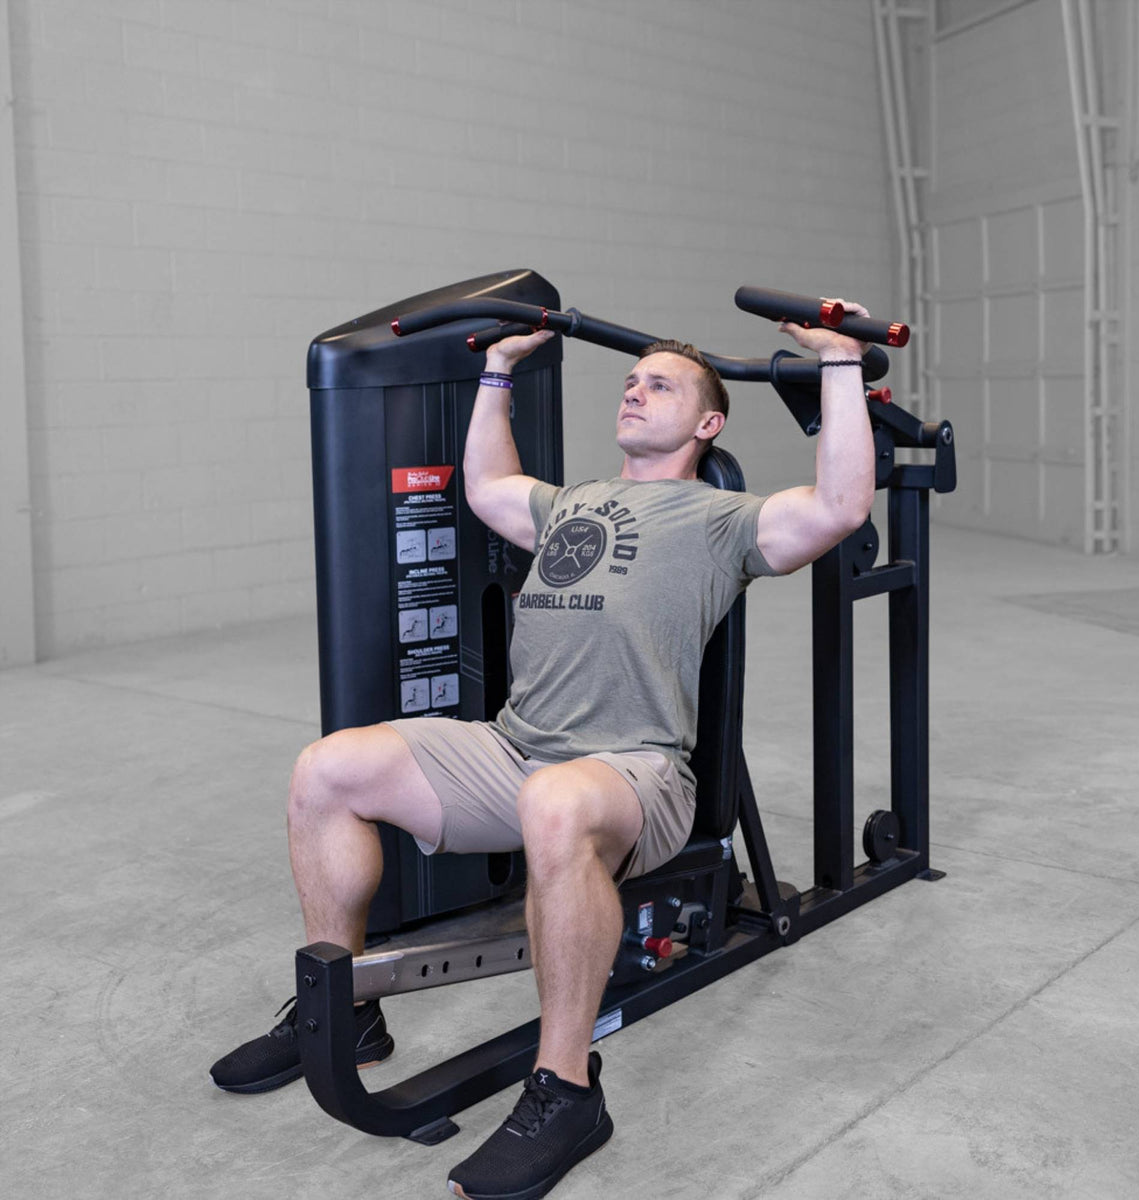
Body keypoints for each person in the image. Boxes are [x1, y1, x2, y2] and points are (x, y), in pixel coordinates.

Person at [210, 302, 876, 1199]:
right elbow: (487, 488)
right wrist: (498, 373)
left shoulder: (724, 520)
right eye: (631, 381)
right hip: (512, 749)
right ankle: (346, 1014)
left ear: (709, 422)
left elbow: (839, 505)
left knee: (554, 802)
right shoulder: (574, 502)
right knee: (327, 768)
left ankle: (566, 1090)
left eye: (662, 385)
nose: (635, 391)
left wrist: (840, 365)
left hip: (634, 771)